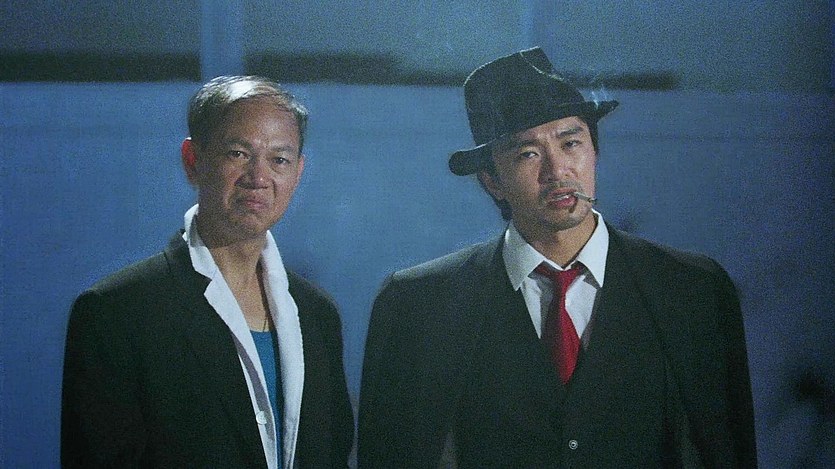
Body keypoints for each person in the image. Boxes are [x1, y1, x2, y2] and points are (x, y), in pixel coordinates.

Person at [358, 48, 757, 467]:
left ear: (595, 151)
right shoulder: (419, 303)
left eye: (571, 143)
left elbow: (729, 451)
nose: (557, 170)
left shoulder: (692, 288)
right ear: (492, 180)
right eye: (527, 153)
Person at [62, 76, 354, 468]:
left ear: (298, 172)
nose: (259, 177)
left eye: (279, 160)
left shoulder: (317, 315)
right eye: (238, 153)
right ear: (192, 160)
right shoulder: (117, 314)